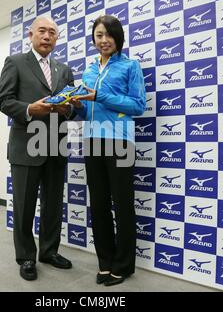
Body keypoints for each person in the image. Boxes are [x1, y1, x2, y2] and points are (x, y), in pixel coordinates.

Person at [70, 15, 146, 286]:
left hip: (120, 142)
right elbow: (86, 110)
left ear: (118, 37)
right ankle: (105, 262)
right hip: (92, 141)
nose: (103, 40)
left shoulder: (130, 66)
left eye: (108, 35)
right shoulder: (89, 71)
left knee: (123, 205)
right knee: (99, 205)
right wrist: (75, 105)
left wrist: (100, 96)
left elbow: (138, 106)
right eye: (99, 35)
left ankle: (123, 266)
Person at [0, 16, 74, 281]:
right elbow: (4, 101)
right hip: (25, 147)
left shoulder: (64, 69)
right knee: (24, 206)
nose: (47, 36)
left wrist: (69, 108)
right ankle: (26, 257)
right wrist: (31, 108)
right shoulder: (15, 62)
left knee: (53, 205)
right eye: (42, 31)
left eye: (53, 32)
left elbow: (73, 107)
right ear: (30, 34)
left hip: (56, 147)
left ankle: (49, 252)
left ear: (57, 39)